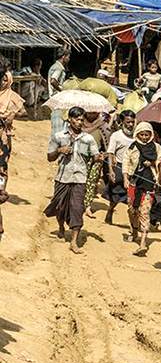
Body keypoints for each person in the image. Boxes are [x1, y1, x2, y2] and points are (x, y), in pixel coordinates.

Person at [45, 106, 98, 253]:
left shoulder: (88, 138)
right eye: (76, 119)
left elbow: (95, 156)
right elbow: (49, 157)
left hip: (80, 178)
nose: (79, 122)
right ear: (70, 119)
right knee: (60, 207)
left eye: (82, 119)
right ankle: (61, 228)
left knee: (77, 208)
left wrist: (99, 157)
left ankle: (74, 242)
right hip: (62, 177)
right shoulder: (59, 136)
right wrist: (59, 151)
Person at [122, 122, 161, 256]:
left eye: (147, 134)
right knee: (132, 210)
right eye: (142, 134)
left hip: (149, 184)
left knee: (144, 212)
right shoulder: (133, 147)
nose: (145, 137)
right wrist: (125, 178)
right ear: (137, 134)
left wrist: (152, 163)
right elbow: (126, 162)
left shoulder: (156, 148)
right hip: (134, 183)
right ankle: (134, 232)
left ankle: (143, 243)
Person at [104, 110, 136, 225]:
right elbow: (110, 153)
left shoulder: (137, 136)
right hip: (119, 167)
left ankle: (133, 225)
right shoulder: (116, 136)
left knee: (131, 197)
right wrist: (111, 170)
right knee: (116, 194)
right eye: (128, 122)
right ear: (122, 122)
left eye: (132, 122)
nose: (130, 125)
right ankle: (111, 209)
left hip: (133, 169)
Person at [81, 111, 109, 219]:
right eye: (89, 113)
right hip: (81, 157)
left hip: (96, 158)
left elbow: (107, 143)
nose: (91, 115)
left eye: (94, 113)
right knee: (80, 180)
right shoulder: (80, 123)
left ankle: (87, 206)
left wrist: (104, 154)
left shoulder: (103, 125)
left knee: (91, 182)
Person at [48, 49, 71, 134]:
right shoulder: (59, 68)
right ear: (63, 57)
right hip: (57, 97)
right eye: (68, 57)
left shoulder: (55, 66)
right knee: (59, 119)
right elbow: (53, 80)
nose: (69, 59)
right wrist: (62, 90)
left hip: (53, 96)